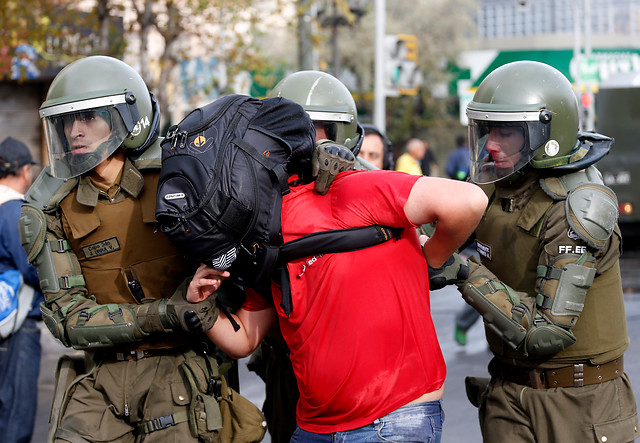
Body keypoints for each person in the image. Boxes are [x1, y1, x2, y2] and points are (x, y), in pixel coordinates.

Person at [188, 162, 488, 441]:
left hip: (392, 421)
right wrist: (200, 303)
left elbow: (468, 201)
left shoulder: (351, 189)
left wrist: (432, 258)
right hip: (313, 427)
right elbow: (244, 338)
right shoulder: (261, 238)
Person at [18, 56, 226, 442]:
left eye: (89, 117)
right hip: (102, 376)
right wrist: (162, 313)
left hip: (178, 369)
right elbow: (68, 318)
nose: (75, 131)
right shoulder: (49, 207)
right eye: (67, 121)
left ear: (126, 117)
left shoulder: (179, 178)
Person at [454, 60, 639, 442]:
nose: (490, 143)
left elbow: (546, 333)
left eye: (507, 131)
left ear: (547, 134)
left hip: (580, 403)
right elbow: (412, 217)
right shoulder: (495, 187)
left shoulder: (579, 206)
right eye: (487, 129)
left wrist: (463, 272)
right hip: (507, 392)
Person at [0, 137, 43, 443]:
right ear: (25, 171)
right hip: (17, 327)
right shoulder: (14, 212)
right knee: (16, 412)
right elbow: (32, 268)